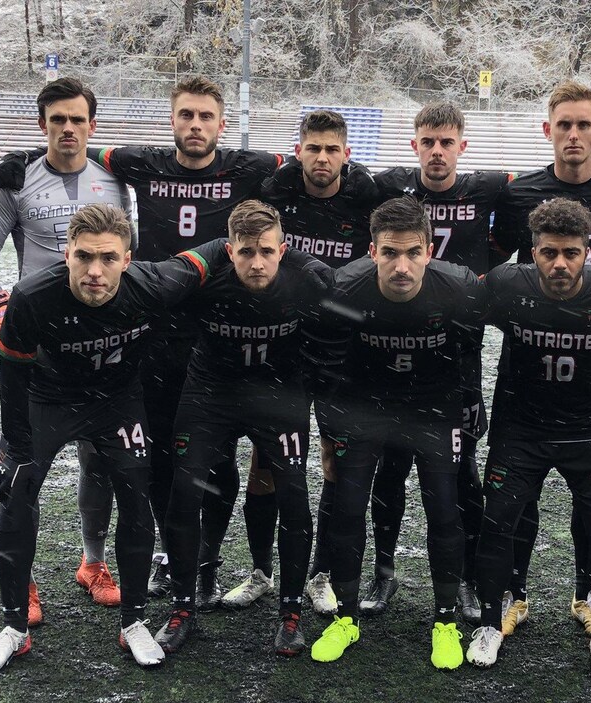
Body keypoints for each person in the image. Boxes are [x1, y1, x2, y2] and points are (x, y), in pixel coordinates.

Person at [0, 76, 286, 606]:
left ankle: (204, 563)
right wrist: (29, 155)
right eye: (186, 115)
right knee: (155, 463)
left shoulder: (251, 167)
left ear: (223, 123)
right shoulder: (138, 161)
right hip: (148, 332)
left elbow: (311, 163)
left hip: (214, 332)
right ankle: (163, 559)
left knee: (211, 462)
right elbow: (70, 141)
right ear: (171, 120)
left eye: (206, 117)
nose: (195, 126)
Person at [0, 203, 212, 674]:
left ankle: (134, 621)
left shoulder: (154, 284)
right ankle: (14, 627)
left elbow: (216, 250)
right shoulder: (32, 295)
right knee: (16, 492)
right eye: (83, 257)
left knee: (137, 496)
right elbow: (12, 379)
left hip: (116, 401)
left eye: (107, 258)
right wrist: (15, 448)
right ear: (67, 254)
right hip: (47, 399)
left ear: (129, 259)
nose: (95, 271)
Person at [0, 77, 133, 624]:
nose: (68, 129)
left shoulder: (116, 178)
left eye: (77, 119)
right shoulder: (15, 179)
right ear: (42, 125)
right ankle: (26, 580)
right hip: (36, 348)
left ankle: (93, 564)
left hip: (99, 346)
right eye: (57, 119)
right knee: (21, 466)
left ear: (93, 125)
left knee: (102, 461)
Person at [466, 198, 591, 678]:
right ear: (532, 252)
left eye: (571, 252)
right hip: (521, 431)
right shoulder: (507, 284)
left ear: (588, 251)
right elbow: (460, 321)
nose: (560, 264)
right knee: (497, 522)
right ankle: (491, 620)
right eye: (549, 253)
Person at [489, 80, 591, 637]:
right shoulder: (521, 195)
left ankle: (585, 595)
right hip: (528, 369)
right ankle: (514, 593)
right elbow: (493, 270)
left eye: (584, 125)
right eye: (564, 124)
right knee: (517, 497)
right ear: (548, 130)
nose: (573, 135)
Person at [211, 109, 378, 616]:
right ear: (299, 150)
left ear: (346, 155)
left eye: (331, 149)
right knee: (265, 466)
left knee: (332, 464)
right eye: (313, 148)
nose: (322, 158)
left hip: (335, 355)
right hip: (280, 351)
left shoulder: (366, 195)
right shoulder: (276, 192)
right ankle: (262, 571)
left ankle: (320, 573)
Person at [306, 196, 485, 670]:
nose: (401, 265)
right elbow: (327, 366)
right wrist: (328, 435)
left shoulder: (459, 286)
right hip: (366, 406)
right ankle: (345, 617)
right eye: (389, 253)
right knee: (346, 508)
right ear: (372, 251)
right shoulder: (345, 287)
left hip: (433, 406)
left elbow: (468, 353)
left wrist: (470, 409)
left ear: (429, 250)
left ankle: (444, 621)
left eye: (411, 253)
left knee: (445, 509)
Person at [151, 200, 334, 657]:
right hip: (210, 394)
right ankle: (182, 607)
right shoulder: (204, 279)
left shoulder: (306, 281)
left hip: (277, 394)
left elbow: (333, 343)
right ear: (229, 251)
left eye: (267, 252)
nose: (257, 262)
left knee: (293, 494)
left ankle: (290, 613)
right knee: (185, 492)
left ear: (282, 249)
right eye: (246, 251)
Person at [362, 102, 510, 621]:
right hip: (393, 341)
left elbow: (528, 189)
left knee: (459, 478)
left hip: (456, 356)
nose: (437, 152)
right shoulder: (390, 187)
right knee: (389, 473)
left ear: (462, 145)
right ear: (414, 144)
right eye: (428, 141)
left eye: (447, 142)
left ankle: (465, 578)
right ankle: (383, 574)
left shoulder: (486, 188)